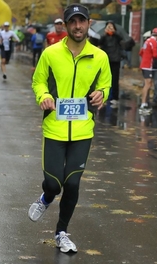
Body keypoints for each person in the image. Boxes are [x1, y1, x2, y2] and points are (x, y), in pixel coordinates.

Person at [28, 3, 112, 254]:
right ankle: (46, 197)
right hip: (54, 128)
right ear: (65, 26)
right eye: (72, 22)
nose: (78, 26)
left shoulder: (100, 56)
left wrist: (101, 94)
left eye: (82, 21)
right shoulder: (51, 53)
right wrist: (43, 95)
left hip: (83, 131)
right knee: (53, 184)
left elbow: (106, 86)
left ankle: (61, 232)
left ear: (88, 24)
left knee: (73, 184)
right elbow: (38, 81)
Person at [139, 28, 157, 112]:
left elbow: (140, 52)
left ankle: (144, 103)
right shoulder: (154, 42)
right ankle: (143, 104)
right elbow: (155, 55)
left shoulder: (147, 41)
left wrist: (145, 58)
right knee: (147, 84)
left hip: (145, 65)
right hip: (148, 66)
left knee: (148, 84)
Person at [98, 20, 124, 107]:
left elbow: (122, 38)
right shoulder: (104, 37)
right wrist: (105, 34)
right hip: (106, 60)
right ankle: (104, 97)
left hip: (116, 60)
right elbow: (99, 42)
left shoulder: (117, 36)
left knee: (115, 79)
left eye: (111, 26)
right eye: (108, 26)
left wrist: (114, 32)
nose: (110, 28)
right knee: (104, 79)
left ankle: (115, 98)